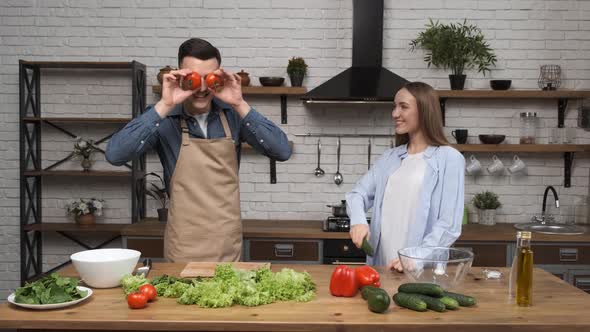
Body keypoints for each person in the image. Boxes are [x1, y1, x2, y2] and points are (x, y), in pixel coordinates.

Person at [106, 38, 292, 262]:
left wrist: (239, 103)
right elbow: (115, 155)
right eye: (194, 78)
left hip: (227, 247)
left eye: (210, 78)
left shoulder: (233, 116)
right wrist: (165, 105)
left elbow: (282, 151)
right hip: (182, 246)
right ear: (180, 75)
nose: (203, 88)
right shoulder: (164, 119)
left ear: (219, 77)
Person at [346, 82, 464, 272]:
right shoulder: (389, 158)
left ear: (425, 111)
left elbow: (449, 224)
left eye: (403, 106)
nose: (395, 113)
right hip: (382, 267)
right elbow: (357, 194)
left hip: (421, 271)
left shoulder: (449, 158)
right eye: (395, 106)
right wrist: (358, 221)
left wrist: (415, 258)